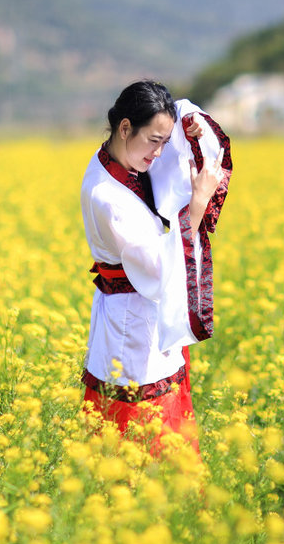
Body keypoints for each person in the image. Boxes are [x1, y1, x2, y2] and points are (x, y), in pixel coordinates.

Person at [78, 80, 231, 454]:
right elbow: (160, 269)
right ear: (125, 127)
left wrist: (190, 124)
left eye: (166, 141)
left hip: (143, 313)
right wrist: (197, 203)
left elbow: (175, 109)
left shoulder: (120, 158)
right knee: (142, 437)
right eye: (154, 141)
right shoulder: (107, 195)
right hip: (129, 322)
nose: (160, 153)